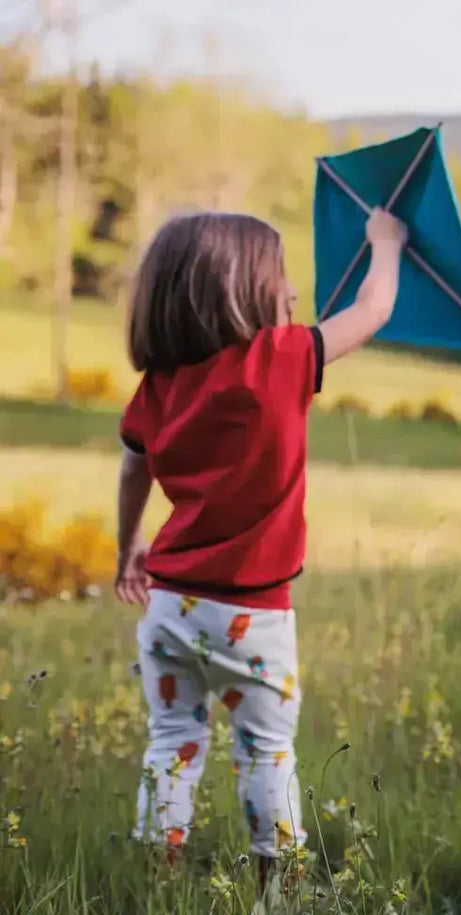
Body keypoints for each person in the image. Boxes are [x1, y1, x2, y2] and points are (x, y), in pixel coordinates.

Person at [113, 207, 407, 906]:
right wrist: (385, 244)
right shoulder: (279, 359)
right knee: (265, 752)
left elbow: (134, 472)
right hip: (252, 612)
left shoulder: (158, 384)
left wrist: (129, 548)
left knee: (173, 741)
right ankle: (279, 885)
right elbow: (374, 309)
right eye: (282, 279)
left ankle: (156, 876)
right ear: (238, 290)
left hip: (168, 604)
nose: (296, 296)